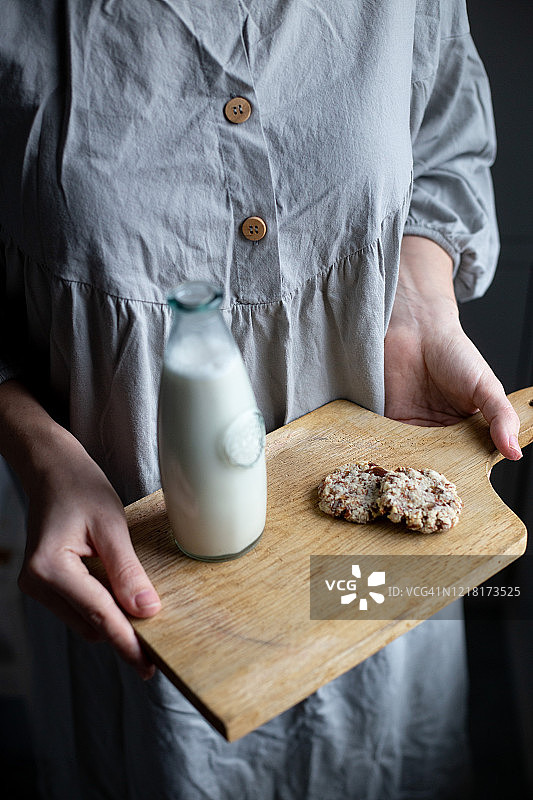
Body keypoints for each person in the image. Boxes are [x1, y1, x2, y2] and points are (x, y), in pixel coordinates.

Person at [0, 1, 522, 798]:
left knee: (375, 758)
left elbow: (443, 150)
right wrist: (37, 450)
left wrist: (418, 311)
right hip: (132, 550)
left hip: (378, 528)